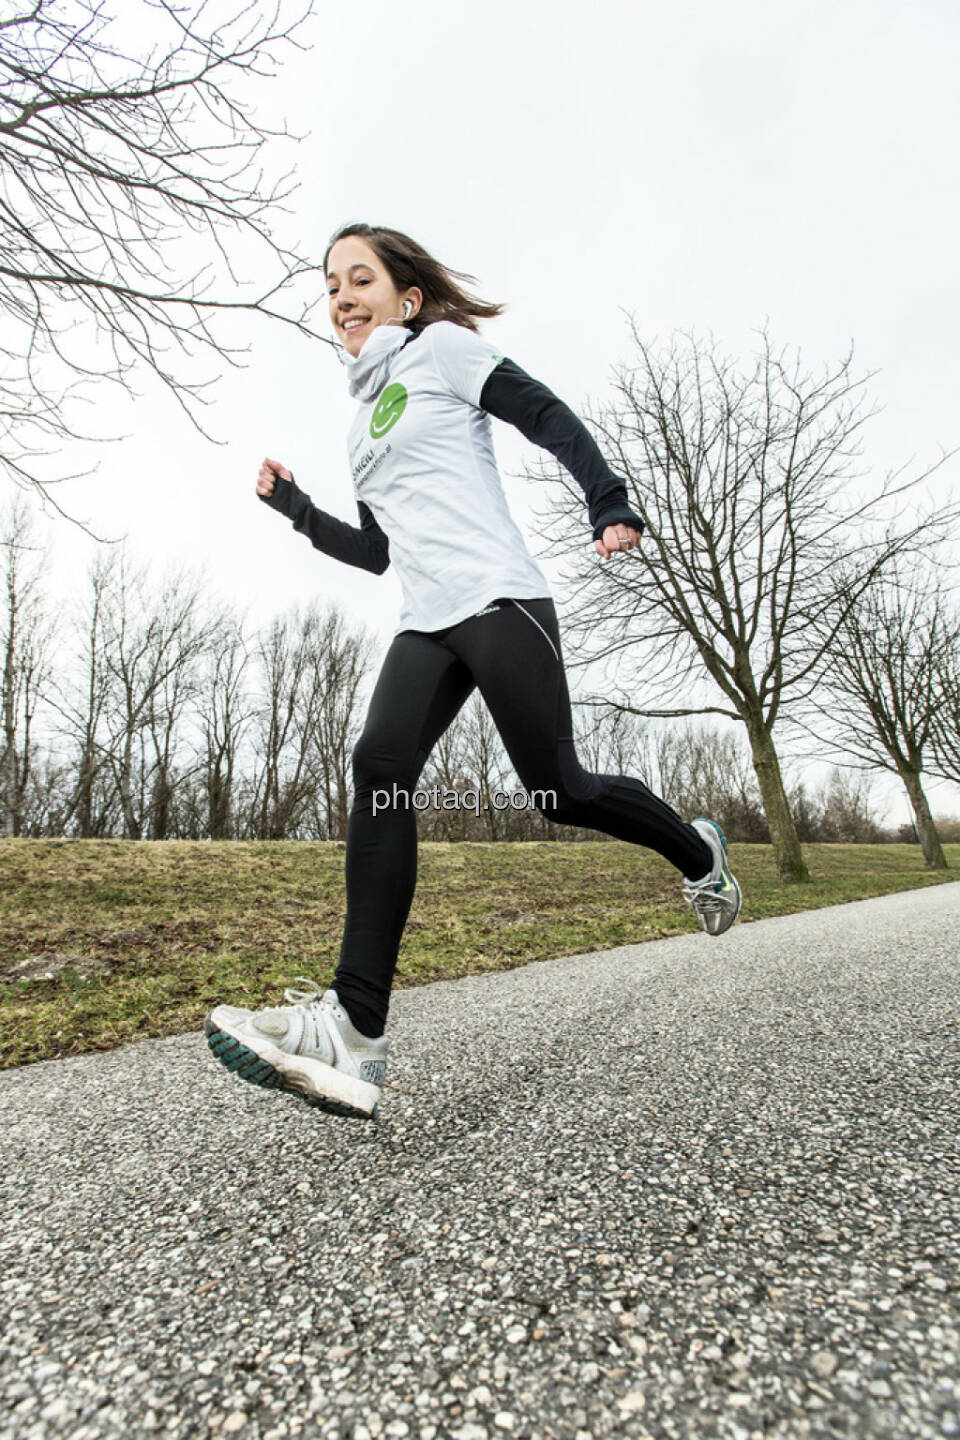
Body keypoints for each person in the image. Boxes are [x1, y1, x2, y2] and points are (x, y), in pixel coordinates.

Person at [205, 222, 742, 1119]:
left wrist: (607, 499)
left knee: (557, 789)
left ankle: (698, 853)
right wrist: (298, 508)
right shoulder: (359, 431)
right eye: (330, 283)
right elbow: (378, 552)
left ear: (405, 297)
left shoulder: (442, 351)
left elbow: (546, 415)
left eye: (359, 277)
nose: (340, 294)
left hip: (500, 601)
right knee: (378, 772)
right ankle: (355, 1030)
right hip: (427, 622)